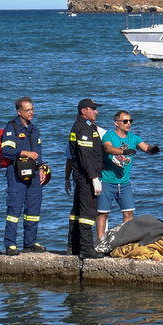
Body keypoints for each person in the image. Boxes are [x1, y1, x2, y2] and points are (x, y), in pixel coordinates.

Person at [97, 110, 160, 239]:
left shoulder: (134, 138)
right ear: (116, 123)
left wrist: (153, 150)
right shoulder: (109, 136)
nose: (128, 123)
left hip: (124, 183)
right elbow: (108, 148)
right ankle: (100, 242)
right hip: (107, 181)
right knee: (103, 213)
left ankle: (125, 241)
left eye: (130, 121)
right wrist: (124, 151)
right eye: (125, 121)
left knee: (129, 213)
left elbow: (145, 147)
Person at [0, 97, 49, 256]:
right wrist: (24, 153)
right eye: (27, 110)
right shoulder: (11, 128)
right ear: (19, 112)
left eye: (32, 109)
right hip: (16, 173)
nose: (31, 112)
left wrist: (41, 168)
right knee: (14, 208)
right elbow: (5, 151)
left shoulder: (34, 129)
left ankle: (30, 243)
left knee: (33, 209)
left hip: (34, 174)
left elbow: (38, 152)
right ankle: (10, 244)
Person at [67, 98, 105, 259]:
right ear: (84, 111)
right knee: (88, 213)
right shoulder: (83, 129)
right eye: (93, 109)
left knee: (77, 212)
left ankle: (74, 246)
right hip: (86, 176)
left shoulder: (85, 127)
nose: (96, 111)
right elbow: (85, 156)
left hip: (81, 175)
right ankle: (86, 248)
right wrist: (94, 177)